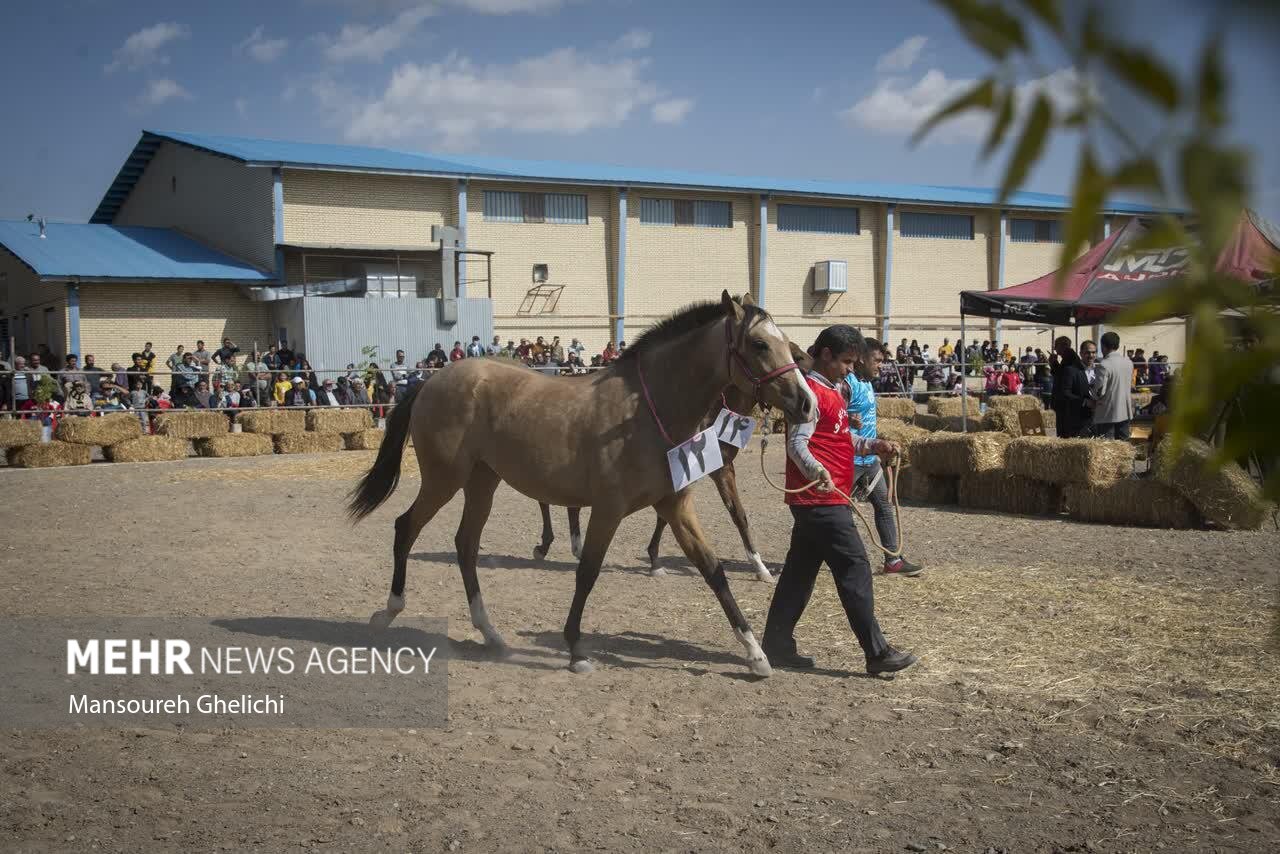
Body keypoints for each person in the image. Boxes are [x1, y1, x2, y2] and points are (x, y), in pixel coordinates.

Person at [761, 323, 917, 676]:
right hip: (821, 499)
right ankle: (876, 652)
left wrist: (872, 444)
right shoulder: (810, 393)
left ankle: (776, 644)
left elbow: (837, 435)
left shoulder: (834, 389)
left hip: (822, 499)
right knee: (856, 567)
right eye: (846, 361)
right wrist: (818, 472)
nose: (851, 368)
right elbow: (798, 444)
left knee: (799, 575)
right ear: (826, 354)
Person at [846, 338, 924, 577]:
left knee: (884, 505)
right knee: (837, 514)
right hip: (848, 461)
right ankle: (840, 562)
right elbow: (831, 421)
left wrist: (881, 449)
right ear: (861, 358)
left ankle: (893, 560)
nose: (880, 366)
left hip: (869, 461)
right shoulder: (846, 384)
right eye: (876, 361)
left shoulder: (868, 383)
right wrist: (848, 421)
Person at [1090, 331, 1135, 440]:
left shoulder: (1104, 365)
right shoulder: (1128, 362)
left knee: (1107, 449)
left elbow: (1100, 392)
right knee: (1124, 447)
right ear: (1118, 345)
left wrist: (1091, 389)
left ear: (1103, 346)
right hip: (1125, 410)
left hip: (1107, 413)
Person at [1049, 336, 1091, 438]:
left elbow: (1062, 379)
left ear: (1063, 346)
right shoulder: (1069, 358)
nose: (1055, 349)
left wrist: (1054, 364)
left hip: (1067, 404)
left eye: (1056, 346)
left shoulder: (1069, 359)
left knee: (1065, 434)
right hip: (1068, 402)